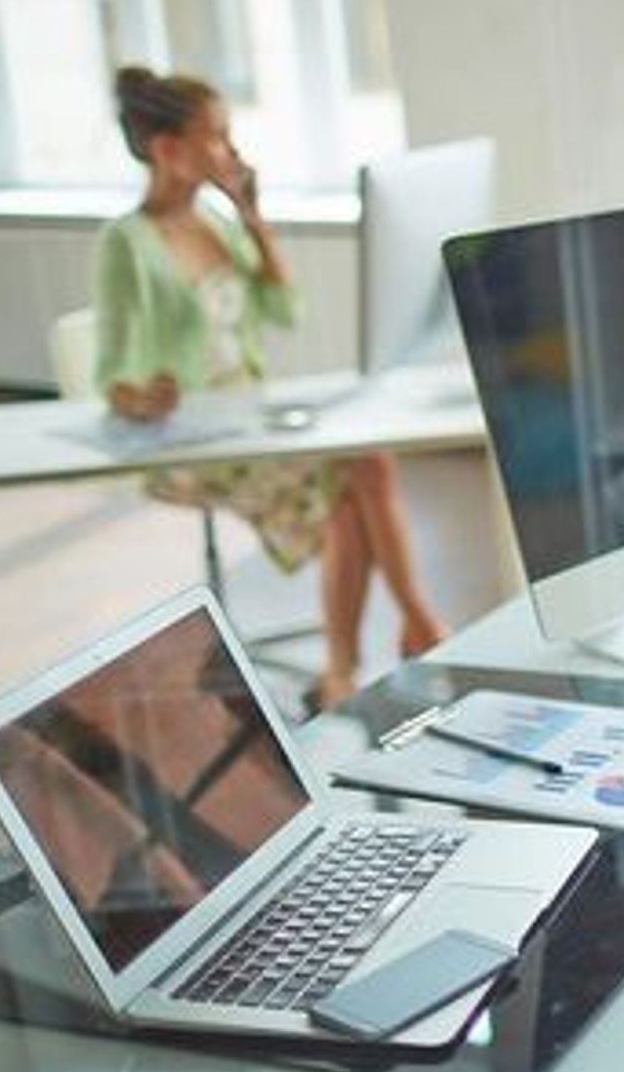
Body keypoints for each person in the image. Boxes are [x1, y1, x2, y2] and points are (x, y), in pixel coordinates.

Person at [96, 66, 447, 708]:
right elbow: (110, 375)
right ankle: (404, 633)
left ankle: (364, 658)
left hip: (249, 415)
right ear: (167, 150)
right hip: (184, 441)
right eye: (218, 138)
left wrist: (253, 217)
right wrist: (144, 397)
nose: (232, 153)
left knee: (366, 462)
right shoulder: (127, 244)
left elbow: (286, 312)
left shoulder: (219, 223)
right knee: (356, 481)